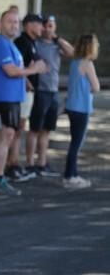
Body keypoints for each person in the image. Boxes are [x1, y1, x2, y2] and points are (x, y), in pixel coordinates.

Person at [0, 10, 46, 196]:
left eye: (16, 22)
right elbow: (10, 71)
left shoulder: (10, 45)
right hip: (3, 98)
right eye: (10, 22)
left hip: (12, 98)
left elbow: (16, 70)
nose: (14, 25)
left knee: (2, 137)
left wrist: (25, 76)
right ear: (1, 23)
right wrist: (33, 69)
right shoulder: (0, 43)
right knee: (5, 137)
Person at [27, 15, 73, 176]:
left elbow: (72, 52)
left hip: (53, 91)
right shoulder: (37, 44)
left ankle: (42, 163)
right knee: (34, 129)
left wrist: (57, 38)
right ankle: (30, 163)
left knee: (47, 129)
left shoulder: (56, 45)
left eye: (52, 26)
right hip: (40, 90)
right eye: (46, 26)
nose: (49, 29)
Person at [10, 13, 46, 182]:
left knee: (19, 130)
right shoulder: (22, 42)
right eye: (40, 25)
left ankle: (14, 164)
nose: (42, 28)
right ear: (30, 25)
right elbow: (17, 67)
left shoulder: (31, 42)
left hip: (28, 94)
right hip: (22, 93)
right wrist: (27, 81)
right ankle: (12, 165)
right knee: (17, 130)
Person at [63, 34, 100, 189]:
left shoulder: (75, 62)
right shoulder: (87, 64)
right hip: (82, 107)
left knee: (74, 142)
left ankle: (74, 174)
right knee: (76, 144)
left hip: (72, 106)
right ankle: (69, 176)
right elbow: (96, 87)